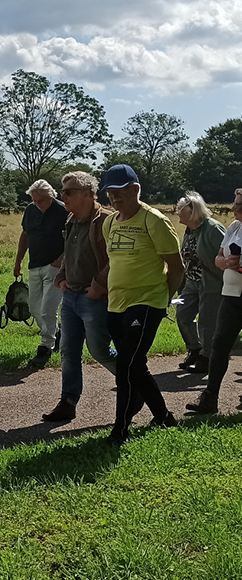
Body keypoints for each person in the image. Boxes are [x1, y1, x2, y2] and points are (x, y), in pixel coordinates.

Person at [101, 164, 184, 443]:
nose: (114, 198)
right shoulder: (109, 223)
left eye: (120, 191)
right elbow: (114, 262)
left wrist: (164, 299)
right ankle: (163, 416)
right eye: (110, 192)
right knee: (135, 366)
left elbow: (176, 266)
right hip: (116, 304)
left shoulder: (154, 221)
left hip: (147, 302)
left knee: (125, 365)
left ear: (135, 189)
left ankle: (120, 429)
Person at [42, 171, 117, 421]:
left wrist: (99, 285)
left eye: (68, 192)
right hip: (71, 296)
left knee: (100, 351)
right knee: (68, 351)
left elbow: (117, 259)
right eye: (62, 191)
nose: (63, 196)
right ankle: (68, 401)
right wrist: (61, 276)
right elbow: (68, 252)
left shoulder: (106, 220)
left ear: (88, 194)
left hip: (94, 297)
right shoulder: (71, 219)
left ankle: (135, 381)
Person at [186, 188, 242, 414]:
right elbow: (218, 257)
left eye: (239, 204)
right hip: (230, 296)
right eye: (235, 202)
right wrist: (225, 262)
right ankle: (210, 398)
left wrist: (238, 266)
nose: (234, 207)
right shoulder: (234, 227)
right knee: (219, 345)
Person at [14, 179, 66, 369]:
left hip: (55, 266)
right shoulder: (30, 210)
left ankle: (46, 346)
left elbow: (73, 237)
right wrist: (18, 260)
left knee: (48, 307)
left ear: (51, 196)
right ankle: (57, 333)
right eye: (35, 200)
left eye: (41, 200)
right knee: (34, 307)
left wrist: (61, 260)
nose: (38, 204)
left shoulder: (62, 210)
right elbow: (25, 235)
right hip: (34, 265)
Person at [174, 192, 225, 375]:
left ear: (193, 211)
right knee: (182, 314)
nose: (177, 213)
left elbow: (227, 254)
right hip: (191, 283)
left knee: (206, 322)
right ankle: (194, 349)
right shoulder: (190, 230)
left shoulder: (213, 228)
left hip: (211, 283)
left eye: (181, 210)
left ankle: (207, 358)